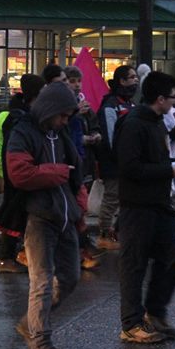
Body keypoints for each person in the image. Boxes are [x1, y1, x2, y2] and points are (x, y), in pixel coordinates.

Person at [7, 82, 84, 349]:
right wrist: (58, 172)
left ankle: (31, 324)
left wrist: (79, 208)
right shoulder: (23, 131)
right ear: (50, 109)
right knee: (41, 282)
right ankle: (40, 345)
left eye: (68, 116)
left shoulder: (58, 132)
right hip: (38, 216)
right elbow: (19, 173)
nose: (66, 121)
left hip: (65, 215)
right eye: (63, 115)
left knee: (69, 278)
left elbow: (75, 171)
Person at [117, 71, 175, 344]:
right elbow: (129, 167)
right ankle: (131, 324)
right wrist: (167, 170)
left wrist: (170, 166)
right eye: (173, 98)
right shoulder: (134, 124)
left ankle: (155, 312)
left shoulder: (157, 122)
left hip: (158, 203)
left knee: (172, 257)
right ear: (160, 99)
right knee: (134, 265)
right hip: (137, 205)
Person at [0, 74, 46, 273]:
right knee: (15, 214)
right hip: (18, 174)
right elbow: (9, 148)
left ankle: (20, 253)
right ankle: (6, 257)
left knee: (21, 214)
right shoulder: (18, 119)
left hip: (21, 172)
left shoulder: (27, 116)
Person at [62, 65, 102, 270]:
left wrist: (95, 134)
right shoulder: (63, 105)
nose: (77, 85)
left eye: (79, 81)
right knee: (75, 206)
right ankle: (81, 249)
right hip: (68, 162)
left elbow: (93, 123)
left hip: (83, 161)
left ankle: (81, 249)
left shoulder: (82, 103)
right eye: (72, 81)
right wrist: (82, 137)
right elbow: (63, 131)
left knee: (80, 205)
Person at [96, 64, 138, 251]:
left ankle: (117, 231)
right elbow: (110, 137)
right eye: (132, 77)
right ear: (122, 81)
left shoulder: (131, 104)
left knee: (129, 198)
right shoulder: (110, 106)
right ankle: (104, 234)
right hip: (114, 162)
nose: (136, 80)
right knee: (112, 198)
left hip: (128, 160)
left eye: (136, 77)